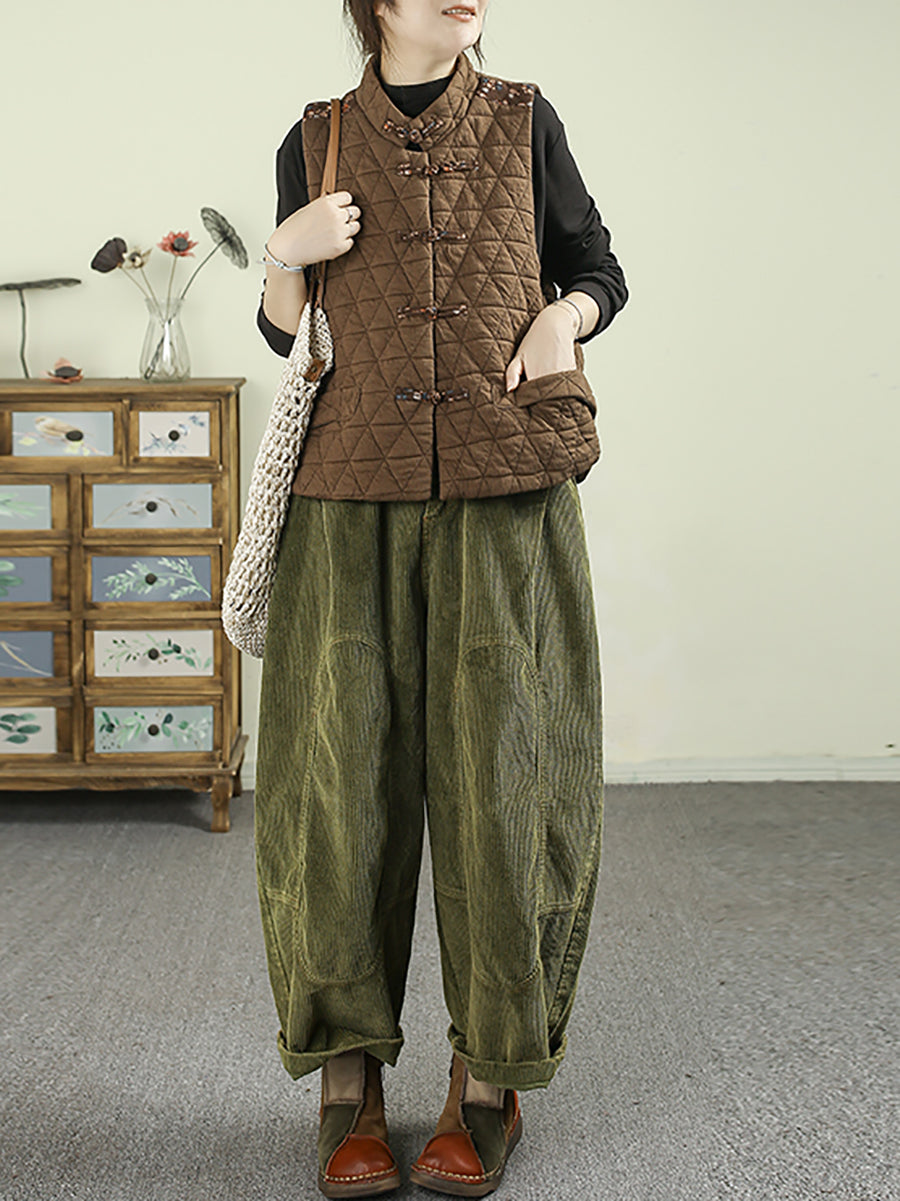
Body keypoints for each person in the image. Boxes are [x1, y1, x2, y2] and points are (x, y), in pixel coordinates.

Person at [254, 1, 628, 1195]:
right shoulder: (314, 136)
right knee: (336, 793)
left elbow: (599, 269)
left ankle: (488, 1078)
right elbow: (288, 337)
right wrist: (283, 255)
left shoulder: (525, 120)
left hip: (504, 494)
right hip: (345, 501)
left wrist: (564, 318)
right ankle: (347, 1080)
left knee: (508, 781)